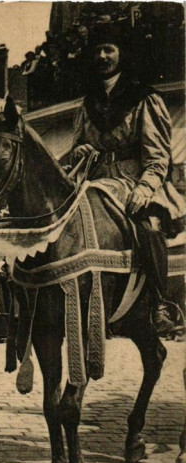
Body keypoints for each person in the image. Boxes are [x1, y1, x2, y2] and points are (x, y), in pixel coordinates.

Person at [71, 23, 186, 331]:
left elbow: (158, 157)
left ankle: (162, 303)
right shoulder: (87, 103)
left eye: (109, 49)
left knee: (148, 225)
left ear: (122, 54)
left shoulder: (144, 98)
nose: (102, 56)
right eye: (97, 50)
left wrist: (145, 189)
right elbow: (77, 148)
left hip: (137, 182)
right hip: (95, 183)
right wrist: (81, 150)